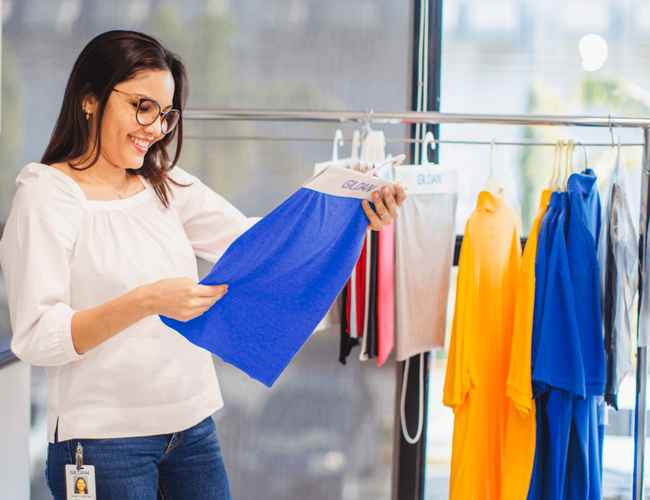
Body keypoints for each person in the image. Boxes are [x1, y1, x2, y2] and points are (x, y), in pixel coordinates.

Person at [0, 30, 406, 500]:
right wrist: (147, 300)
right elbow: (37, 337)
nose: (156, 128)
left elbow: (254, 242)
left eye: (166, 114)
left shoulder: (164, 183)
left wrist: (346, 205)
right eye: (142, 106)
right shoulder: (46, 196)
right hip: (102, 446)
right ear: (89, 100)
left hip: (191, 429)